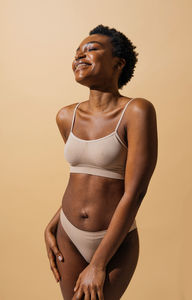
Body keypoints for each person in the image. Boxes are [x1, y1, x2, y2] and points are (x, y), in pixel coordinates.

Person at [44, 24, 158, 300]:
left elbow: (135, 192)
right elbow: (84, 177)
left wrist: (98, 263)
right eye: (77, 53)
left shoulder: (137, 111)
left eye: (91, 49)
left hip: (113, 239)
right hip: (67, 235)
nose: (80, 56)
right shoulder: (65, 116)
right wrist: (54, 222)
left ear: (118, 63)